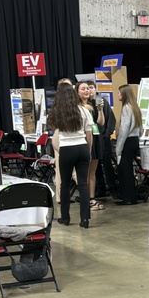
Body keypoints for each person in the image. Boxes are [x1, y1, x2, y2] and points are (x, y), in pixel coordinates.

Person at [52, 83, 92, 228]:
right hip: (82, 148)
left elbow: (54, 131)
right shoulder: (83, 111)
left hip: (66, 149)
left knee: (65, 184)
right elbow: (89, 134)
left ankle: (65, 217)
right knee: (83, 184)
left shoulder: (57, 113)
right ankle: (85, 219)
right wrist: (88, 150)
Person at [76, 81, 105, 211]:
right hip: (83, 138)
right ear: (77, 92)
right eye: (83, 89)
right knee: (84, 171)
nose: (87, 91)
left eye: (88, 88)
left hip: (95, 137)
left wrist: (100, 110)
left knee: (93, 172)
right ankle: (85, 198)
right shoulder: (76, 106)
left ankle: (92, 198)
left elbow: (100, 122)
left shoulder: (93, 104)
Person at [115, 84, 142, 206]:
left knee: (125, 171)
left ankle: (128, 198)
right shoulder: (135, 107)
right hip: (135, 140)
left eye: (119, 93)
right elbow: (141, 128)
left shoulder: (126, 108)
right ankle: (131, 197)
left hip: (127, 141)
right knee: (128, 170)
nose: (118, 95)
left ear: (124, 94)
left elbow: (124, 129)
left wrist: (118, 147)